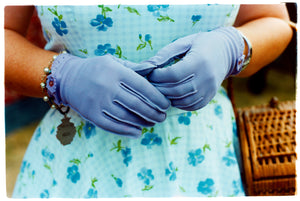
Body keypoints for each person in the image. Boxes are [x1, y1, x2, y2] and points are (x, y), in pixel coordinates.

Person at [5, 4, 292, 198]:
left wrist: (231, 47)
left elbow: (274, 22)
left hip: (205, 159)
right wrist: (62, 76)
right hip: (74, 166)